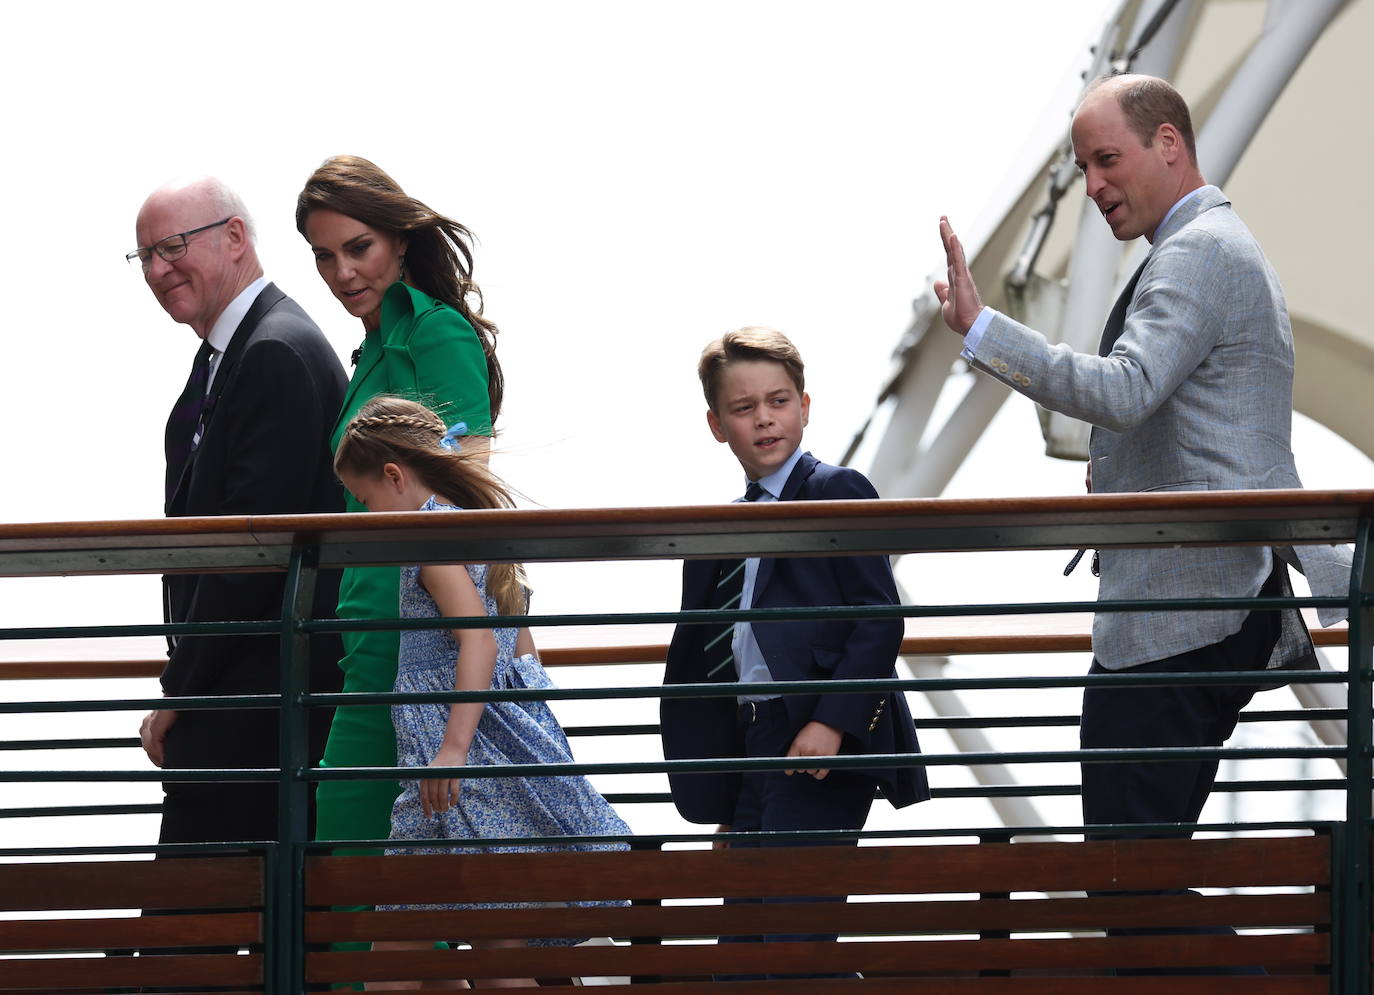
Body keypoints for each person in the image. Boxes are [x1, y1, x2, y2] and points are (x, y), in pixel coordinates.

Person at [935, 74, 1351, 970]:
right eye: (1084, 167)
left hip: (1185, 617)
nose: (1092, 185)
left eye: (1106, 158)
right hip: (1194, 611)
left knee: (1125, 882)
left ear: (1170, 144)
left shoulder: (1200, 252)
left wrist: (983, 329)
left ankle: (1299, 975)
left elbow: (1125, 390)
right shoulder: (1203, 247)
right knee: (1131, 883)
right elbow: (1195, 420)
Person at [334, 396, 630, 989]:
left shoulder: (428, 538)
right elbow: (521, 656)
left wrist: (452, 750)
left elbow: (479, 643)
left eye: (365, 501)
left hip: (451, 763)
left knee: (408, 948)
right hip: (480, 759)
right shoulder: (473, 525)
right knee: (474, 942)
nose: (365, 515)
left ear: (394, 476)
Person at [660, 327, 928, 978]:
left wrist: (831, 720)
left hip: (814, 738)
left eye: (778, 401)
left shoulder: (837, 490)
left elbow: (879, 617)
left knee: (792, 941)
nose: (765, 419)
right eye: (745, 408)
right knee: (741, 956)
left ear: (805, 406)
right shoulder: (720, 529)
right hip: (754, 743)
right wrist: (728, 794)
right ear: (716, 423)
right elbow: (712, 652)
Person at [295, 155, 504, 853]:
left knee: (370, 866)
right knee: (369, 868)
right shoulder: (372, 348)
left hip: (417, 634)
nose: (342, 273)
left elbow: (464, 495)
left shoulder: (435, 332)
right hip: (362, 629)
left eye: (359, 248)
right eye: (324, 257)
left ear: (400, 240)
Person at [132, 176, 347, 845]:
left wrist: (181, 690)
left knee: (193, 934)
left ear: (234, 237)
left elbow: (248, 560)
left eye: (172, 246)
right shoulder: (234, 354)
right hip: (245, 705)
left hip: (262, 712)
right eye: (145, 258)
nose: (159, 269)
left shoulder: (273, 352)